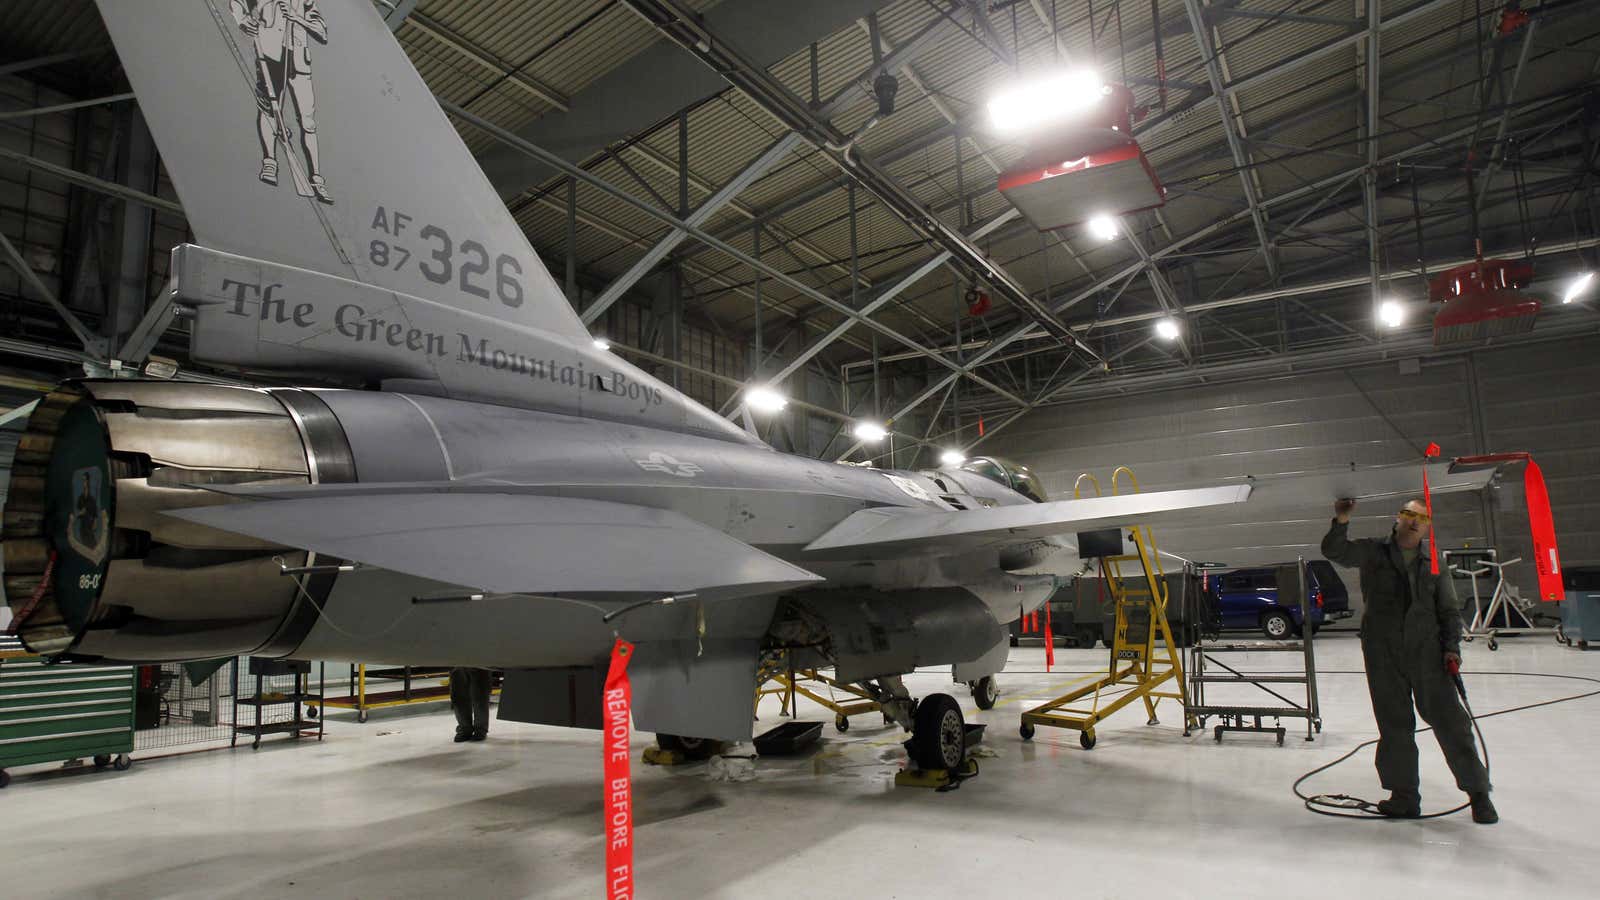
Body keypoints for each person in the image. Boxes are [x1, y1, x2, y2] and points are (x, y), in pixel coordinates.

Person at [1322, 498, 1497, 824]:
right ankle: (1404, 797)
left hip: (1427, 654)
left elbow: (1448, 610)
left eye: (1422, 518)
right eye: (1409, 515)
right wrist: (1342, 520)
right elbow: (1335, 551)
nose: (1415, 522)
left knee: (1452, 725)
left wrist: (1451, 649)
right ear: (1398, 519)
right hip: (1383, 654)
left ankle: (1479, 794)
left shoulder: (1434, 562)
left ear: (1428, 525)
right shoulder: (1374, 551)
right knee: (1394, 726)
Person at [449, 667, 492, 742]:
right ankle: (465, 729)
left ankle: (480, 730)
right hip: (455, 662)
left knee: (480, 696)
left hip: (479, 661)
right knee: (458, 696)